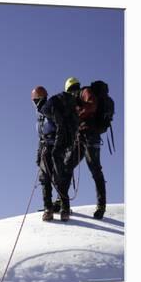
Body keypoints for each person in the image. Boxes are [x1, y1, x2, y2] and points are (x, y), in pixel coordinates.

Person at [63, 77, 107, 219]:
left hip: (90, 136)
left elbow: (92, 105)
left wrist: (77, 116)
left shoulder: (85, 92)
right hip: (81, 137)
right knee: (67, 165)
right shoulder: (76, 100)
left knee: (95, 169)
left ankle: (101, 205)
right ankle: (62, 200)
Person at [32, 86, 78, 221]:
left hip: (55, 148)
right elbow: (42, 136)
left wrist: (57, 148)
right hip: (48, 147)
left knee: (56, 178)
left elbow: (60, 126)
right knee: (48, 177)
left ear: (35, 99)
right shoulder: (42, 111)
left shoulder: (48, 108)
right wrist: (39, 153)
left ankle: (56, 209)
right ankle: (54, 209)